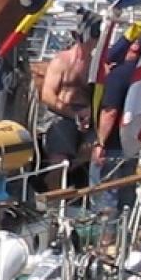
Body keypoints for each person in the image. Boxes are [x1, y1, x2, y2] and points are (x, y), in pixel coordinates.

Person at [38, 15, 101, 190]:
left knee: (95, 150)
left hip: (87, 117)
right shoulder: (61, 61)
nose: (93, 41)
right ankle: (50, 194)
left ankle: (74, 186)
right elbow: (47, 95)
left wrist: (90, 113)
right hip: (60, 115)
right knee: (60, 161)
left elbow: (99, 95)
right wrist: (74, 115)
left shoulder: (96, 66)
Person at [92, 36, 141, 213]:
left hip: (113, 146)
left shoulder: (118, 75)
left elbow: (110, 112)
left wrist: (100, 143)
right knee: (127, 196)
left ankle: (107, 231)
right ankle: (126, 228)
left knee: (107, 199)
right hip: (134, 143)